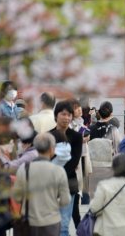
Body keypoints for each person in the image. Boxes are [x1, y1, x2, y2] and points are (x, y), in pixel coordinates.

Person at [11, 133, 72, 236]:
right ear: (52, 149)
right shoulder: (58, 171)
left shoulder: (24, 169)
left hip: (28, 222)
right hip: (51, 222)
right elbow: (65, 200)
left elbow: (16, 197)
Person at [47, 101, 84, 236]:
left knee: (63, 224)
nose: (67, 118)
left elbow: (74, 160)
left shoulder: (76, 137)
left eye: (69, 115)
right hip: (48, 184)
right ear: (56, 115)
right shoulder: (47, 136)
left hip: (68, 183)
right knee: (50, 224)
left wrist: (59, 175)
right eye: (63, 114)